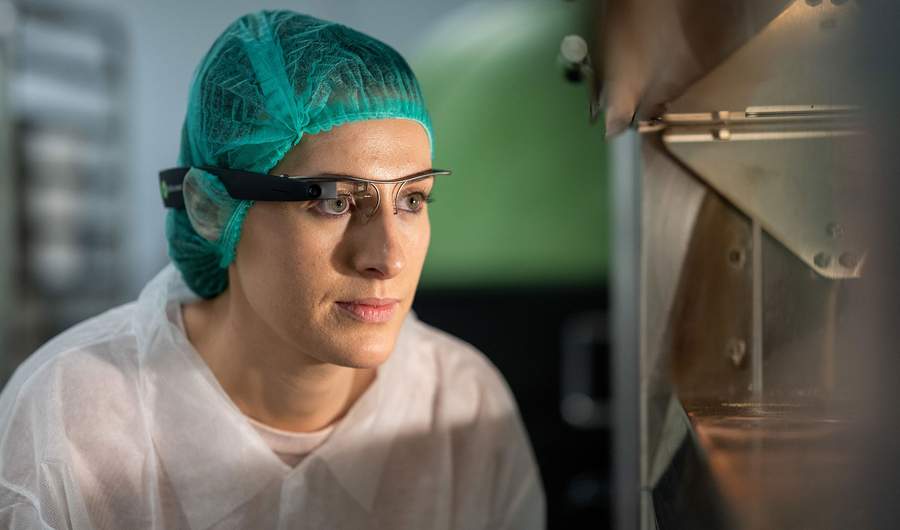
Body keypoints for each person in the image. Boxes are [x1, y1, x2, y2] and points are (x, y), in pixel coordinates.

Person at [0, 11, 544, 529]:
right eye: (334, 201)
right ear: (213, 207)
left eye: (412, 200)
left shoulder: (462, 408)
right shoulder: (73, 417)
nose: (389, 257)